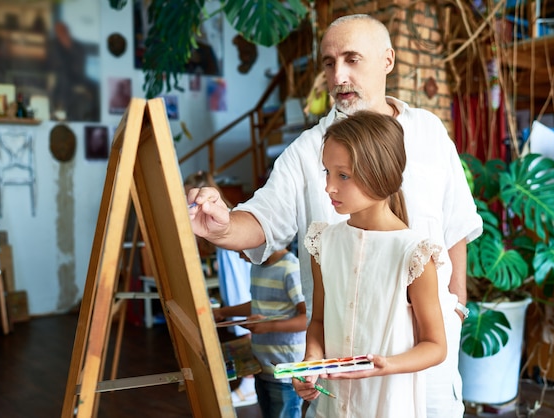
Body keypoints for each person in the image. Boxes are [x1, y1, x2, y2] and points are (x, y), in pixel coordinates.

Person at [187, 14, 482, 417]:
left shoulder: (428, 131)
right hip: (342, 370)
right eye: (328, 62)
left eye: (351, 59)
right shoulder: (309, 150)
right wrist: (220, 226)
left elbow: (456, 226)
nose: (338, 74)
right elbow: (262, 219)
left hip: (427, 364)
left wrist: (457, 307)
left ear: (387, 61)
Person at [294, 110, 447, 417]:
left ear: (381, 174)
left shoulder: (414, 253)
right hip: (332, 406)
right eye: (326, 172)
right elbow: (320, 322)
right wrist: (311, 360)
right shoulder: (322, 242)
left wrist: (386, 365)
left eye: (343, 175)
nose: (329, 187)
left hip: (388, 406)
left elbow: (435, 345)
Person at [183, 171, 256, 407]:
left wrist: (232, 307)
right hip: (234, 276)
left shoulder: (228, 222)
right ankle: (249, 382)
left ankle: (249, 384)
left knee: (244, 329)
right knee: (241, 328)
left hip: (241, 283)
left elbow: (238, 276)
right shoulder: (225, 221)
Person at [213, 248, 306, 418]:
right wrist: (224, 312)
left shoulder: (290, 268)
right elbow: (258, 303)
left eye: (241, 250)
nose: (240, 256)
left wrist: (270, 326)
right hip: (261, 367)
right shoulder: (257, 267)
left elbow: (307, 318)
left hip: (286, 372)